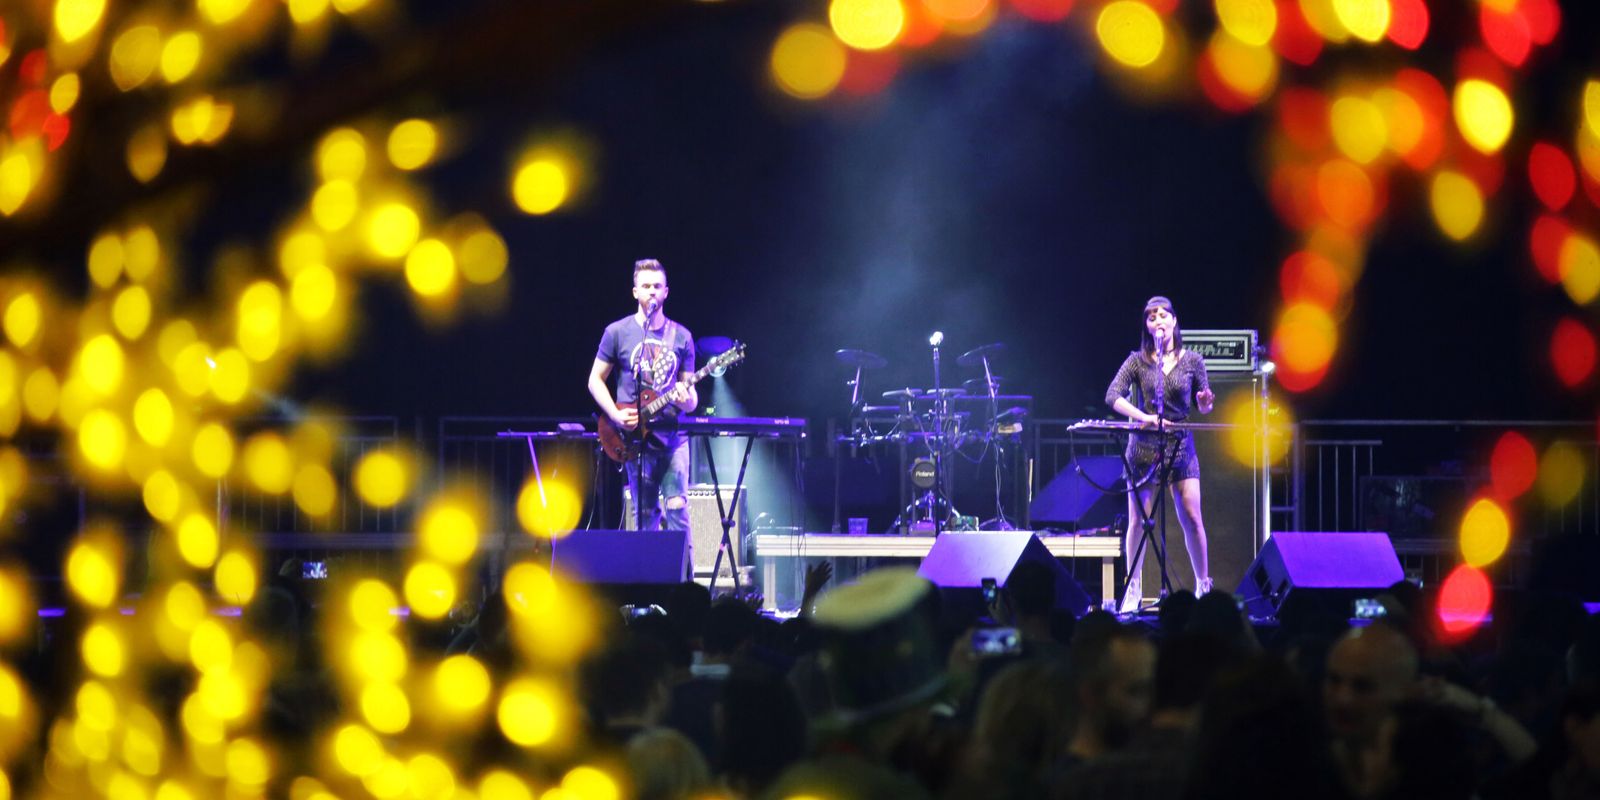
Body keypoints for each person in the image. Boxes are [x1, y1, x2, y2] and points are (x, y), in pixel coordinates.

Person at [1104, 295, 1215, 611]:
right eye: (1151, 317)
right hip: (1143, 446)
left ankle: (1203, 586)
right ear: (1147, 326)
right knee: (1138, 520)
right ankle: (1133, 588)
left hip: (1180, 443)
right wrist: (1144, 418)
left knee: (1192, 516)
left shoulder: (1193, 361)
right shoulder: (1137, 360)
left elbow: (1204, 405)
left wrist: (1205, 403)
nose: (1158, 321)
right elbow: (1112, 395)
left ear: (1174, 321)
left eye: (1163, 315)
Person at [588, 259, 698, 531]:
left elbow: (692, 401)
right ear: (635, 291)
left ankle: (683, 562)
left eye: (657, 286)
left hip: (673, 439)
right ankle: (647, 562)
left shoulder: (682, 336)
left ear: (666, 292)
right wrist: (615, 415)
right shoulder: (617, 332)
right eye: (646, 286)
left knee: (678, 511)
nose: (652, 291)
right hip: (635, 439)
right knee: (644, 515)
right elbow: (595, 380)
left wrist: (685, 399)